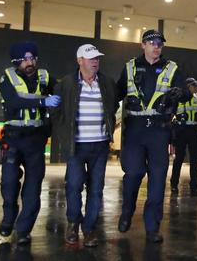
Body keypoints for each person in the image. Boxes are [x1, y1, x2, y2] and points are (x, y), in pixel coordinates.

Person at [116, 29, 188, 243]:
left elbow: (185, 93)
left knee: (157, 180)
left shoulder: (171, 68)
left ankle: (152, 227)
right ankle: (127, 212)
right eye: (151, 42)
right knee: (133, 174)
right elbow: (117, 93)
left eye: (159, 43)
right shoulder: (130, 67)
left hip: (159, 129)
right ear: (143, 45)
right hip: (135, 129)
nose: (156, 46)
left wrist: (181, 93)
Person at [51, 44, 118, 247]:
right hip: (76, 146)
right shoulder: (66, 83)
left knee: (96, 189)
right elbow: (57, 112)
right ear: (80, 60)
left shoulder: (106, 83)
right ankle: (73, 223)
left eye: (97, 58)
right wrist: (65, 135)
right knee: (73, 185)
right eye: (91, 58)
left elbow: (112, 105)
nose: (95, 61)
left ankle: (89, 229)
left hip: (99, 145)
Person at [0, 41, 60, 245]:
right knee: (8, 183)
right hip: (13, 138)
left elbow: (59, 90)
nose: (30, 62)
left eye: (33, 57)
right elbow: (14, 101)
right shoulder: (7, 77)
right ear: (17, 61)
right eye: (25, 59)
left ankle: (23, 229)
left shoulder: (44, 76)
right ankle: (9, 217)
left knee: (33, 188)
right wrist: (43, 101)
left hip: (35, 139)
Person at [170, 77, 197, 197]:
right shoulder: (178, 97)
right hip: (181, 129)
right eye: (194, 86)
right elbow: (172, 113)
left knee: (195, 160)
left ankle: (194, 187)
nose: (196, 88)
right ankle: (174, 185)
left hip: (194, 130)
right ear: (188, 86)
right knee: (179, 158)